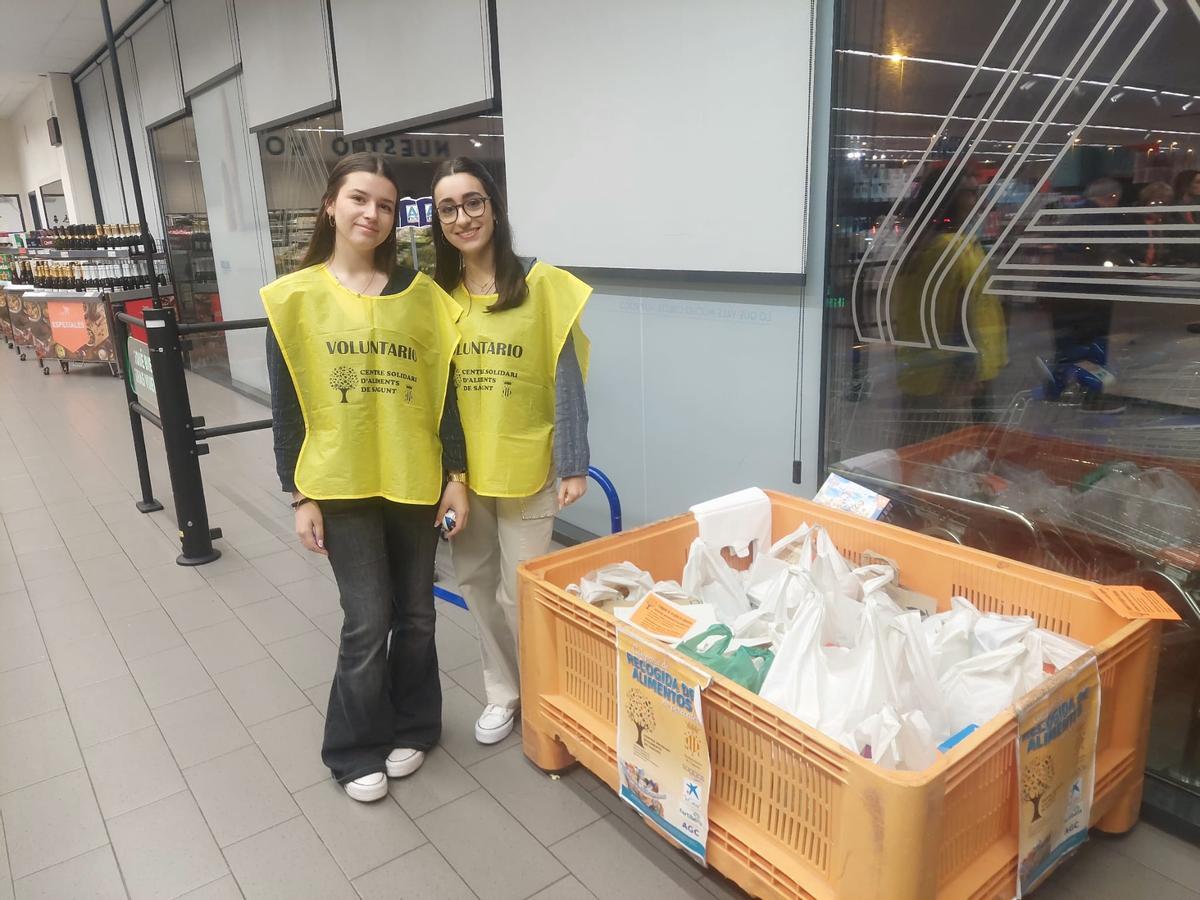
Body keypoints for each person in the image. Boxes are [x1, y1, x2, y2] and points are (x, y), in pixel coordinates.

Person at [262, 152, 469, 802]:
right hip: (340, 483)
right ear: (331, 204)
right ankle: (352, 749)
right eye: (359, 198)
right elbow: (287, 406)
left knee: (417, 614)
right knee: (366, 618)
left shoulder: (423, 296)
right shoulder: (295, 299)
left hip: (414, 478)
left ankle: (416, 725)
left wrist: (456, 475)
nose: (371, 214)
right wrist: (299, 495)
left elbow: (447, 394)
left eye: (385, 204)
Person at [431, 157, 591, 745]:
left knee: (521, 591)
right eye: (449, 208)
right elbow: (436, 394)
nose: (463, 217)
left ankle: (549, 692)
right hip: (463, 476)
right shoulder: (437, 298)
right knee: (475, 583)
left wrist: (572, 462)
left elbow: (565, 378)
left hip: (529, 464)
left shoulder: (543, 285)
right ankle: (503, 691)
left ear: (494, 207)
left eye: (473, 202)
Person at [891, 168, 1008, 448]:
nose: (975, 201)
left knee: (929, 449)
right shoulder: (947, 249)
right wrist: (965, 370)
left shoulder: (935, 245)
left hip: (934, 372)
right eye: (969, 193)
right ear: (949, 198)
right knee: (944, 452)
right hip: (946, 378)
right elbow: (955, 314)